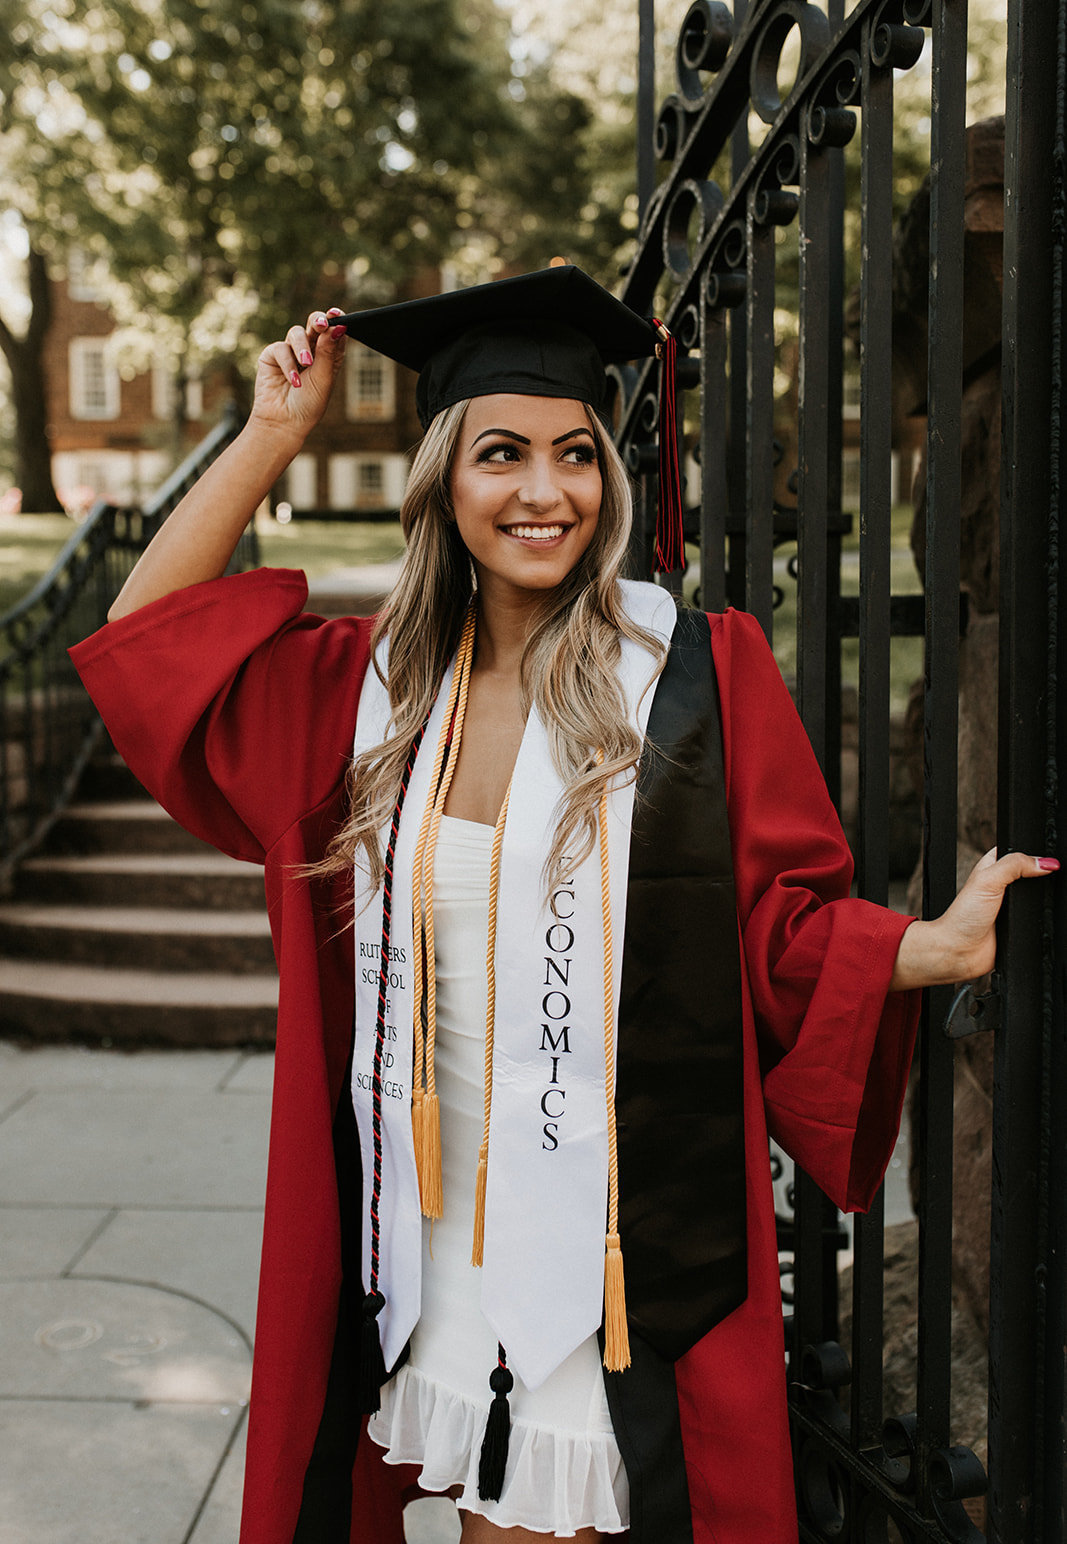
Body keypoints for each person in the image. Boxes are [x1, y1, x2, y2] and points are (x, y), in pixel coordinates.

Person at [70, 265, 1056, 1544]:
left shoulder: (691, 681)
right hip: (417, 1228)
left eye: (574, 454)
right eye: (500, 454)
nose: (545, 492)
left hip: (606, 1230)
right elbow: (148, 648)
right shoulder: (361, 695)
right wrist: (269, 435)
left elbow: (769, 932)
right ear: (442, 481)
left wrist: (926, 948)